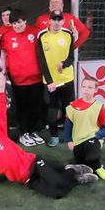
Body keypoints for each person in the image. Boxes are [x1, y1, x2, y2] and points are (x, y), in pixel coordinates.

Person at [0, 73, 97, 199]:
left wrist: (1, 90)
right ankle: (77, 179)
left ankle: (73, 170)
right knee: (58, 194)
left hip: (34, 164)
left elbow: (1, 113)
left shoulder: (0, 135)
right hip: (27, 180)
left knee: (58, 183)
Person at [1, 9, 46, 147]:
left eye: (19, 22)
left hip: (37, 79)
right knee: (22, 108)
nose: (17, 25)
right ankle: (24, 133)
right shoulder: (7, 37)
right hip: (18, 81)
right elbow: (2, 55)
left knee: (35, 107)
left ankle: (32, 131)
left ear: (25, 21)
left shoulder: (36, 33)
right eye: (14, 23)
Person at [36, 10, 76, 147]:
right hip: (51, 82)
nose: (57, 22)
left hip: (67, 79)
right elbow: (41, 60)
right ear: (49, 21)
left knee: (69, 108)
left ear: (63, 21)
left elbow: (71, 57)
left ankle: (70, 135)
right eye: (54, 19)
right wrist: (49, 81)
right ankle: (54, 136)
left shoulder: (68, 34)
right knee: (52, 109)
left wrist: (64, 64)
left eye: (59, 19)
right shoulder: (42, 36)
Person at [64, 76, 105, 180]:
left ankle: (98, 167)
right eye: (84, 87)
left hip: (92, 138)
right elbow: (68, 125)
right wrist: (69, 140)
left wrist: (97, 136)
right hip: (78, 140)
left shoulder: (99, 107)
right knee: (80, 162)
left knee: (92, 157)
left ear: (96, 90)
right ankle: (85, 169)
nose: (86, 89)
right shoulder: (73, 106)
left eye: (90, 87)